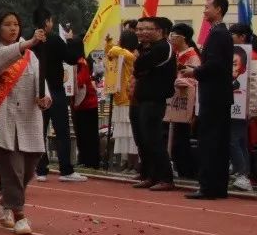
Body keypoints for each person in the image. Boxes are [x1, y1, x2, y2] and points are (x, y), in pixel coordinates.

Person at [0, 10, 49, 235]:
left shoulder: (32, 56)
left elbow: (40, 79)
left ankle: (4, 203)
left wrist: (45, 96)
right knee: (12, 169)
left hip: (29, 117)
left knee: (30, 165)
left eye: (16, 24)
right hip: (5, 116)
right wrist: (27, 43)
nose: (13, 28)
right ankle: (20, 215)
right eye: (7, 24)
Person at [182, 0, 234, 200]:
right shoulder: (219, 32)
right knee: (217, 141)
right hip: (218, 95)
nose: (204, 10)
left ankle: (209, 186)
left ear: (218, 9)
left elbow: (215, 65)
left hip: (214, 96)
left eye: (207, 7)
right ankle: (217, 186)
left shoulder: (219, 34)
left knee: (211, 141)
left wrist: (194, 72)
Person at [32, 8, 86, 182]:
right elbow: (71, 58)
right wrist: (72, 41)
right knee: (62, 130)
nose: (52, 24)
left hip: (38, 91)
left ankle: (40, 169)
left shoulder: (28, 40)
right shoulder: (55, 40)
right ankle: (66, 170)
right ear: (47, 22)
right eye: (51, 21)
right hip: (54, 89)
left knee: (39, 131)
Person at [131, 17, 177, 191]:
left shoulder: (164, 48)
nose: (141, 32)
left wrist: (139, 62)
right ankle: (150, 175)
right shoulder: (145, 48)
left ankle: (166, 178)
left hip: (155, 99)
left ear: (159, 31)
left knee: (154, 140)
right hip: (143, 99)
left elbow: (140, 64)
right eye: (139, 29)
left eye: (146, 29)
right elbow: (138, 68)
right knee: (144, 140)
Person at [229, 23, 257, 191]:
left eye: (232, 34)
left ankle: (243, 174)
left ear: (242, 37)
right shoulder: (238, 54)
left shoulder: (253, 57)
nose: (229, 37)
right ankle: (241, 172)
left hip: (242, 106)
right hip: (235, 103)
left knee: (235, 140)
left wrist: (251, 108)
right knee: (239, 140)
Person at [168, 23, 201, 179]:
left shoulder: (192, 56)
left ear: (183, 38)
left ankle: (186, 171)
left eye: (174, 35)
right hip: (174, 102)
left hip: (186, 103)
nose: (171, 38)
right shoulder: (175, 55)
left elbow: (196, 81)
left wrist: (178, 81)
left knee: (181, 138)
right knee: (174, 137)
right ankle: (178, 167)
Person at [106, 29, 140, 172]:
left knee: (131, 134)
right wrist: (108, 42)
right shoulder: (121, 53)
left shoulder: (130, 56)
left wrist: (112, 46)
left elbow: (113, 51)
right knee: (124, 135)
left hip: (127, 98)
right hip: (119, 97)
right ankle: (127, 162)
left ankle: (135, 164)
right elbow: (109, 52)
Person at [71, 55, 101, 168]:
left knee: (90, 134)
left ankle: (92, 161)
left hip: (88, 104)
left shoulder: (82, 63)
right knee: (80, 134)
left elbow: (80, 80)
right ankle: (83, 159)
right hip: (78, 105)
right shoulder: (73, 62)